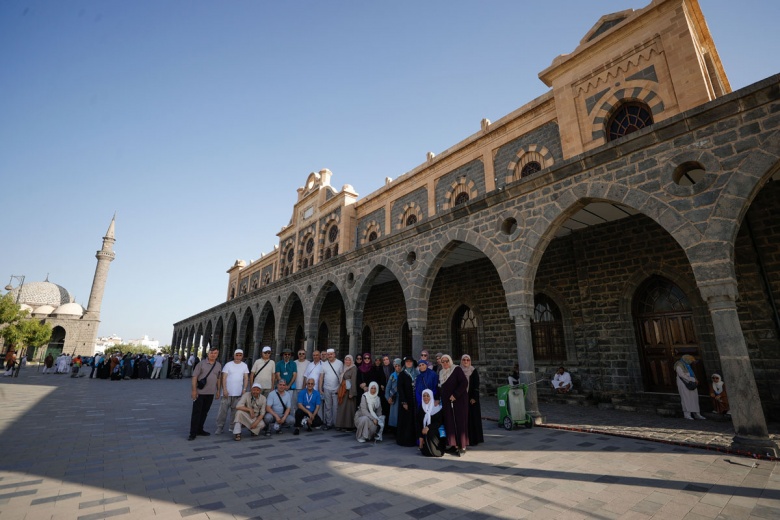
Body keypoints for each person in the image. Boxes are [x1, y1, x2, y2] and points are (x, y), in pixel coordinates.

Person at [188, 347, 222, 441]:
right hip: (200, 393)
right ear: (208, 353)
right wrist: (194, 391)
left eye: (215, 353)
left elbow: (218, 378)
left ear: (217, 354)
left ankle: (200, 429)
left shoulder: (218, 365)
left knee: (204, 412)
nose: (213, 355)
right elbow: (195, 377)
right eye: (211, 353)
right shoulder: (201, 364)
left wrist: (218, 390)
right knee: (196, 413)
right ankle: (193, 433)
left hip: (210, 393)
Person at [439, 354, 469, 456]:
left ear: (450, 361)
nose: (445, 363)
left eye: (447, 361)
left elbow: (464, 383)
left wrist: (455, 394)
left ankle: (462, 446)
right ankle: (454, 445)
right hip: (447, 402)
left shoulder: (456, 370)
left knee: (459, 422)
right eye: (443, 361)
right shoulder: (441, 373)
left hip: (459, 401)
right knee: (450, 422)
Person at [215, 349, 249, 435]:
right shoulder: (228, 365)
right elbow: (224, 378)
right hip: (227, 393)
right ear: (234, 355)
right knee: (223, 411)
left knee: (235, 411)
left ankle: (232, 426)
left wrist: (244, 389)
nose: (238, 357)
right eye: (236, 355)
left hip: (238, 393)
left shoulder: (244, 366)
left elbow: (246, 378)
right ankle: (220, 427)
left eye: (240, 355)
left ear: (242, 356)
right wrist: (225, 389)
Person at [460, 354, 484, 446]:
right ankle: (464, 438)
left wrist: (474, 397)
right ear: (461, 361)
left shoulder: (473, 371)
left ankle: (474, 439)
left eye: (467, 360)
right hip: (462, 397)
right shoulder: (459, 371)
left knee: (472, 418)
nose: (466, 362)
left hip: (471, 399)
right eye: (464, 360)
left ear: (470, 361)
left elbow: (476, 386)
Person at [674, 355, 705, 420]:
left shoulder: (687, 365)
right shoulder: (679, 365)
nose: (691, 362)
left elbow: (691, 373)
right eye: (690, 360)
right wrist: (692, 379)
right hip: (684, 383)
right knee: (686, 398)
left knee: (694, 398)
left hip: (692, 383)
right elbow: (682, 375)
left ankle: (697, 413)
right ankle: (687, 414)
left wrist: (694, 379)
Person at [395, 356, 418, 447]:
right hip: (406, 401)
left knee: (413, 420)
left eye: (410, 361)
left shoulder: (416, 373)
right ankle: (404, 440)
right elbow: (400, 389)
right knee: (406, 420)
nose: (408, 363)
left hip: (414, 400)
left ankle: (414, 440)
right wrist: (404, 402)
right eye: (407, 362)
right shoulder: (402, 374)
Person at [319, 348, 343, 430]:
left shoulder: (339, 363)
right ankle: (329, 423)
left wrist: (339, 388)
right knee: (328, 407)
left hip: (336, 388)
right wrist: (320, 388)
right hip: (326, 388)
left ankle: (336, 424)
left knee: (336, 407)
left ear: (334, 354)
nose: (330, 356)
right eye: (328, 354)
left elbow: (341, 376)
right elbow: (321, 377)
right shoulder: (324, 364)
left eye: (331, 354)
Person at [416, 389, 445, 457]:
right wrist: (420, 437)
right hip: (424, 431)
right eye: (424, 396)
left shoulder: (436, 408)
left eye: (428, 396)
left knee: (431, 432)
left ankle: (436, 450)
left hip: (436, 430)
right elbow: (418, 423)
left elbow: (439, 422)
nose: (425, 398)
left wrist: (428, 427)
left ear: (431, 397)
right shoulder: (421, 408)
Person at [335, 354, 357, 431]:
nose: (347, 361)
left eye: (349, 360)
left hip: (349, 391)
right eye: (346, 360)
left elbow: (353, 381)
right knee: (342, 408)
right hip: (343, 390)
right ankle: (341, 424)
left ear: (351, 361)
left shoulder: (353, 368)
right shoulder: (344, 367)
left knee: (349, 409)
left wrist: (352, 392)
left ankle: (349, 426)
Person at [385, 358, 402, 433]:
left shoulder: (404, 375)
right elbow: (388, 387)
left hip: (401, 398)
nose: (398, 368)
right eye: (396, 366)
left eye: (399, 366)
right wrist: (388, 397)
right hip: (394, 398)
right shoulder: (392, 375)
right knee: (394, 416)